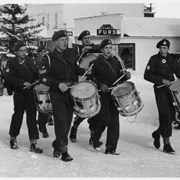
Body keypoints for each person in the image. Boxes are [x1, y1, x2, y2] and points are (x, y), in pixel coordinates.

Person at [39, 30, 86, 162]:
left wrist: (88, 70)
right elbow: (42, 77)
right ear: (55, 42)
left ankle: (57, 144)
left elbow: (76, 70)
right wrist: (57, 84)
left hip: (70, 92)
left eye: (66, 40)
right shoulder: (48, 58)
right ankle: (64, 151)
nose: (65, 42)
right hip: (57, 94)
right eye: (62, 40)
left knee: (67, 123)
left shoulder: (70, 55)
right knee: (60, 122)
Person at [88, 39, 131, 154]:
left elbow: (121, 76)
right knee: (104, 119)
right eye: (106, 48)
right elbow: (90, 78)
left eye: (110, 48)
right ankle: (95, 138)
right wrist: (100, 85)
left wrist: (126, 76)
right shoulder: (95, 63)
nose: (108, 50)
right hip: (102, 95)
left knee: (114, 121)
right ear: (102, 50)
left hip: (114, 94)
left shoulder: (116, 61)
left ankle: (111, 148)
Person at [5, 40, 43, 153]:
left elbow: (35, 72)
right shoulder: (12, 62)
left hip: (30, 92)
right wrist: (22, 83)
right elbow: (9, 77)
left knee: (32, 116)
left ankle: (33, 142)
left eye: (24, 50)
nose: (23, 53)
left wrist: (39, 75)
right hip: (19, 93)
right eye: (21, 51)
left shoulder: (29, 60)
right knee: (18, 115)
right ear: (16, 51)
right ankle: (13, 137)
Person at [144, 39, 180, 154]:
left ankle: (157, 133)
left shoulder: (173, 59)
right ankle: (167, 145)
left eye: (164, 48)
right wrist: (161, 80)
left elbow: (178, 73)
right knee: (165, 115)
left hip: (172, 89)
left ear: (168, 49)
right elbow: (147, 75)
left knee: (172, 116)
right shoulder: (154, 59)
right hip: (160, 90)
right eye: (160, 48)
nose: (162, 50)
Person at [69, 30, 101, 144]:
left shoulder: (93, 48)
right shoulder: (76, 49)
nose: (87, 40)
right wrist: (80, 53)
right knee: (83, 108)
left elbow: (100, 49)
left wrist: (91, 49)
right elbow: (73, 63)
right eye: (85, 38)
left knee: (94, 109)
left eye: (88, 37)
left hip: (94, 81)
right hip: (81, 81)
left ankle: (93, 135)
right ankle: (75, 127)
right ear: (81, 40)